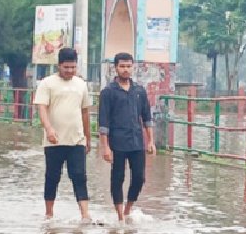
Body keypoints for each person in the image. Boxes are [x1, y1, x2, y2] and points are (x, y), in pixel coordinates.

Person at [33, 48, 92, 221]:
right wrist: (49, 129)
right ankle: (49, 213)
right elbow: (42, 108)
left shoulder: (81, 84)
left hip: (77, 139)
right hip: (54, 140)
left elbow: (85, 112)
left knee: (79, 176)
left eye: (73, 67)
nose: (70, 71)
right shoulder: (47, 83)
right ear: (59, 65)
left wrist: (87, 137)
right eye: (66, 67)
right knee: (52, 176)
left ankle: (85, 214)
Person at [98, 52, 156, 220]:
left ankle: (128, 209)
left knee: (139, 177)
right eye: (122, 66)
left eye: (128, 66)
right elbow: (104, 122)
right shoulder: (108, 92)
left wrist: (150, 141)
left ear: (133, 67)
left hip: (137, 141)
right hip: (117, 142)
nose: (125, 70)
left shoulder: (139, 91)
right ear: (115, 68)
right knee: (118, 177)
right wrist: (105, 147)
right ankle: (119, 215)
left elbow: (147, 117)